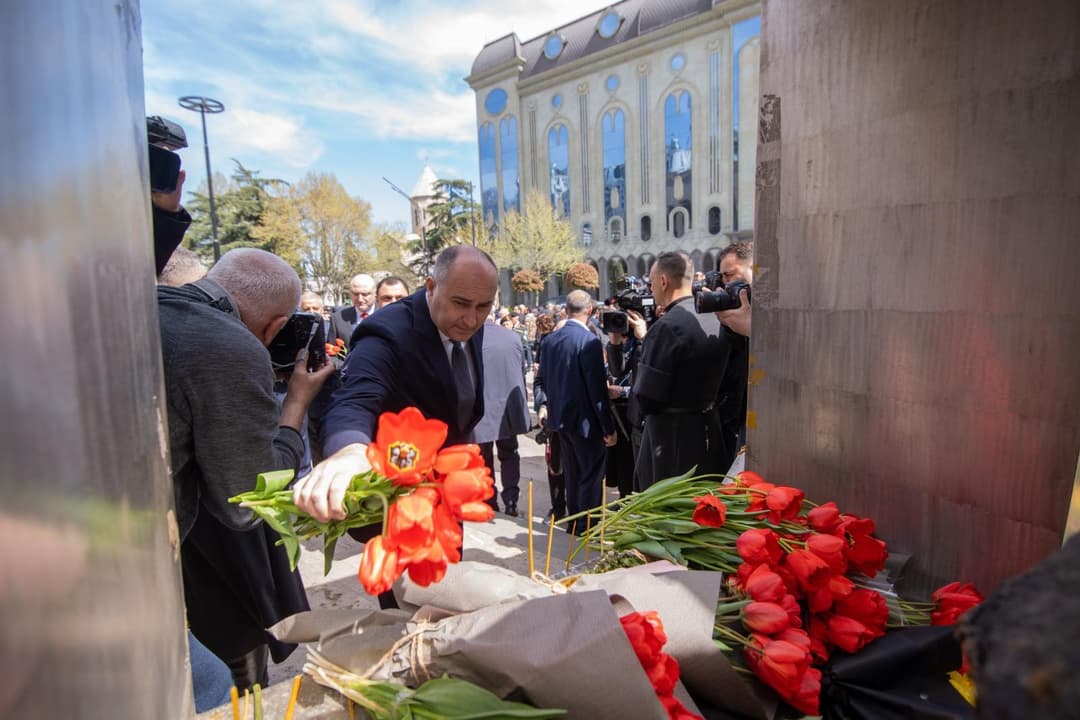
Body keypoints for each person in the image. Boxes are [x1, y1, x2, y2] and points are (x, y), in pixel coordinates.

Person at [157, 248, 334, 689]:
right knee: (220, 685)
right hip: (182, 567)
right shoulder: (227, 344)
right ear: (276, 327)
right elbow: (245, 500)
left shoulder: (152, 311)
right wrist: (295, 405)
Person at [293, 245, 498, 524]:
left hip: (444, 487)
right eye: (461, 303)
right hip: (395, 502)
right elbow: (355, 400)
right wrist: (349, 451)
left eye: (483, 306)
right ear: (431, 287)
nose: (473, 319)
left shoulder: (466, 316)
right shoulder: (387, 331)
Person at [630, 252, 733, 491]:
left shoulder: (666, 327)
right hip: (709, 428)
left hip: (670, 438)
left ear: (663, 281)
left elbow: (646, 395)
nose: (651, 289)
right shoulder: (715, 317)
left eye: (652, 283)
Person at [534, 290, 617, 531]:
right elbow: (596, 389)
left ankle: (575, 521)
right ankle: (585, 524)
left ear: (567, 310)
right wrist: (608, 427)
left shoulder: (550, 340)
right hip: (586, 421)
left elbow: (544, 381)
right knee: (590, 475)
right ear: (590, 310)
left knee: (572, 473)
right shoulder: (588, 341)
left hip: (562, 419)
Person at [474, 321, 531, 516]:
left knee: (484, 456)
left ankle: (489, 499)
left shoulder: (472, 338)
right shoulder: (511, 337)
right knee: (509, 453)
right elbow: (521, 371)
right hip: (506, 406)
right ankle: (511, 500)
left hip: (483, 407)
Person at [713, 242, 754, 469]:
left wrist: (752, 330)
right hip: (733, 420)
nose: (726, 283)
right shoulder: (730, 313)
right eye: (723, 278)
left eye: (731, 275)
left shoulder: (775, 311)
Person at [605, 309, 647, 498]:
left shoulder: (653, 333)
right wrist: (614, 341)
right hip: (626, 415)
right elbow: (618, 370)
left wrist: (644, 338)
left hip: (647, 415)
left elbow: (648, 375)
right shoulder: (628, 340)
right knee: (624, 466)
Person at [328, 273, 375, 345]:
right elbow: (330, 350)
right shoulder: (337, 319)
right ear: (350, 293)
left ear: (375, 293)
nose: (360, 299)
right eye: (355, 294)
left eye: (365, 294)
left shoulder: (386, 315)